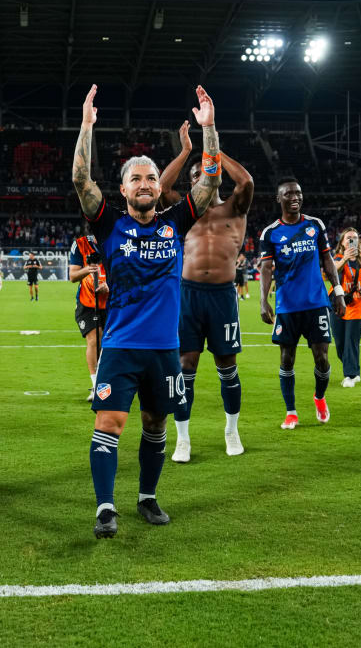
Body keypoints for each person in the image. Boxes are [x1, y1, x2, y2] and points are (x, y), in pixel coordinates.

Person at [73, 84, 220, 539]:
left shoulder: (175, 222)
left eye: (151, 178)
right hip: (119, 345)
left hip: (163, 349)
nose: (144, 184)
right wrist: (86, 127)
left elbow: (211, 182)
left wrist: (209, 128)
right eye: (136, 178)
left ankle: (147, 497)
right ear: (123, 189)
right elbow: (81, 179)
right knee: (109, 424)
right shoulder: (108, 224)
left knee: (156, 425)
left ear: (160, 188)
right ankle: (104, 507)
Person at [157, 120, 254, 462]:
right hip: (188, 294)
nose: (203, 174)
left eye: (209, 170)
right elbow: (160, 188)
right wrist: (187, 152)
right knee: (186, 365)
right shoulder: (184, 212)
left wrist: (214, 151)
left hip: (223, 295)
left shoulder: (235, 207)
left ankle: (232, 430)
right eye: (197, 172)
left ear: (217, 174)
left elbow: (247, 181)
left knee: (227, 365)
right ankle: (183, 438)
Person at [258, 179, 347, 430]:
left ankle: (319, 398)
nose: (295, 197)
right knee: (287, 359)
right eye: (288, 194)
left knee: (322, 359)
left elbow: (327, 259)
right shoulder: (270, 232)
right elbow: (266, 268)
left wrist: (337, 290)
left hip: (316, 303)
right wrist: (264, 300)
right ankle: (291, 412)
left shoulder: (314, 225)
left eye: (298, 192)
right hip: (287, 306)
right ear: (279, 199)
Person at [330, 228, 361, 388]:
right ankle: (354, 370)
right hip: (338, 306)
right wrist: (345, 259)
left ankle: (349, 376)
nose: (352, 241)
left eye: (355, 238)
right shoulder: (335, 258)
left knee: (351, 342)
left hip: (358, 305)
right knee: (340, 344)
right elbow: (331, 272)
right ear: (342, 242)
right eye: (348, 238)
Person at [68, 234, 108, 402]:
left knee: (109, 344)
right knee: (93, 340)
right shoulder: (80, 244)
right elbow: (72, 276)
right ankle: (95, 385)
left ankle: (107, 382)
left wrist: (110, 285)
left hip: (113, 301)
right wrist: (88, 269)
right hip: (87, 301)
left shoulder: (118, 240)